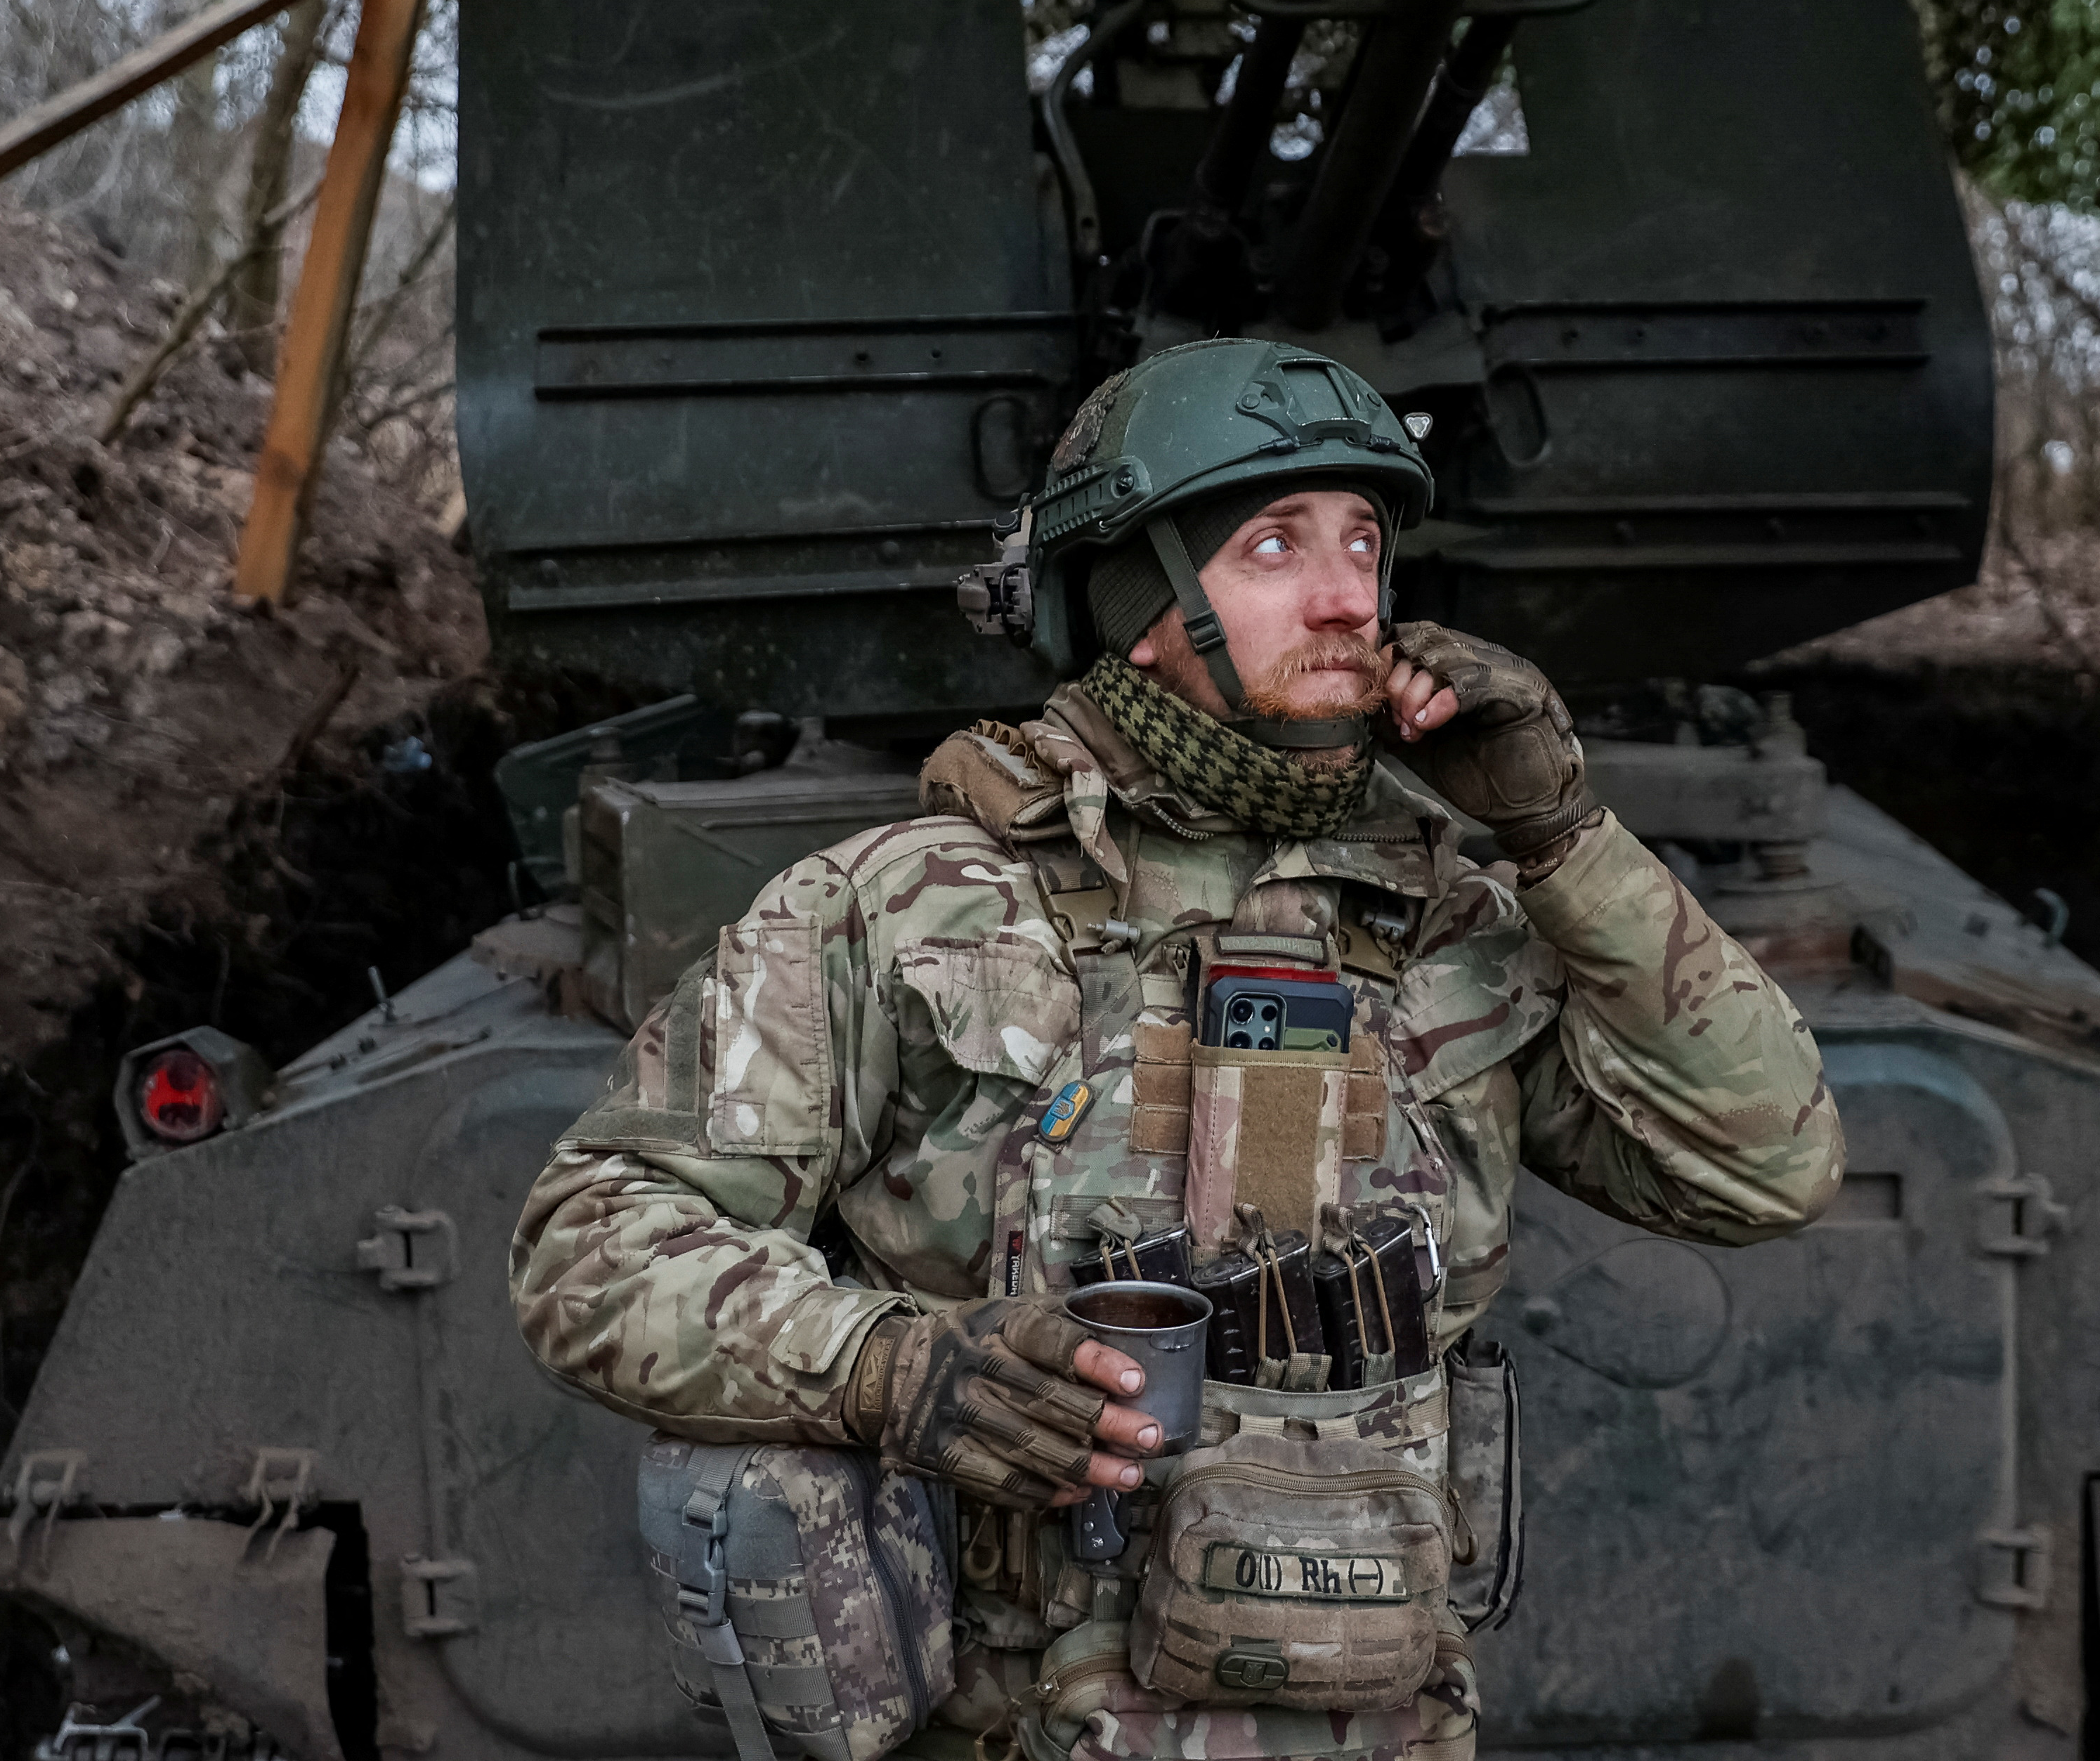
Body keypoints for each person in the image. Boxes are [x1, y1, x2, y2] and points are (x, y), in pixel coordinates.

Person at [512, 337, 1841, 1761]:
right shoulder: (905, 908)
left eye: (1364, 546)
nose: (1349, 599)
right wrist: (884, 1367)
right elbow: (592, 1240)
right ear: (1137, 602)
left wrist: (1562, 832)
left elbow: (1762, 1167)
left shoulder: (1461, 921)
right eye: (1275, 546)